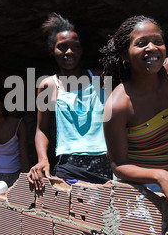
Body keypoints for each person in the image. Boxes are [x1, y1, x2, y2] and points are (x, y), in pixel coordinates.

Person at [100, 15, 168, 230]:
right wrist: (161, 176)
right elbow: (119, 166)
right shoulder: (117, 105)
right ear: (125, 54)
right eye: (141, 44)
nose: (152, 48)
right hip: (142, 187)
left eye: (158, 41)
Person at [27, 13, 112, 189]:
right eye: (62, 47)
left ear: (82, 49)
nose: (69, 52)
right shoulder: (48, 85)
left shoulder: (100, 78)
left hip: (106, 160)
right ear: (53, 51)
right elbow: (42, 128)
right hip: (69, 164)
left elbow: (117, 116)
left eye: (75, 46)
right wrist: (43, 159)